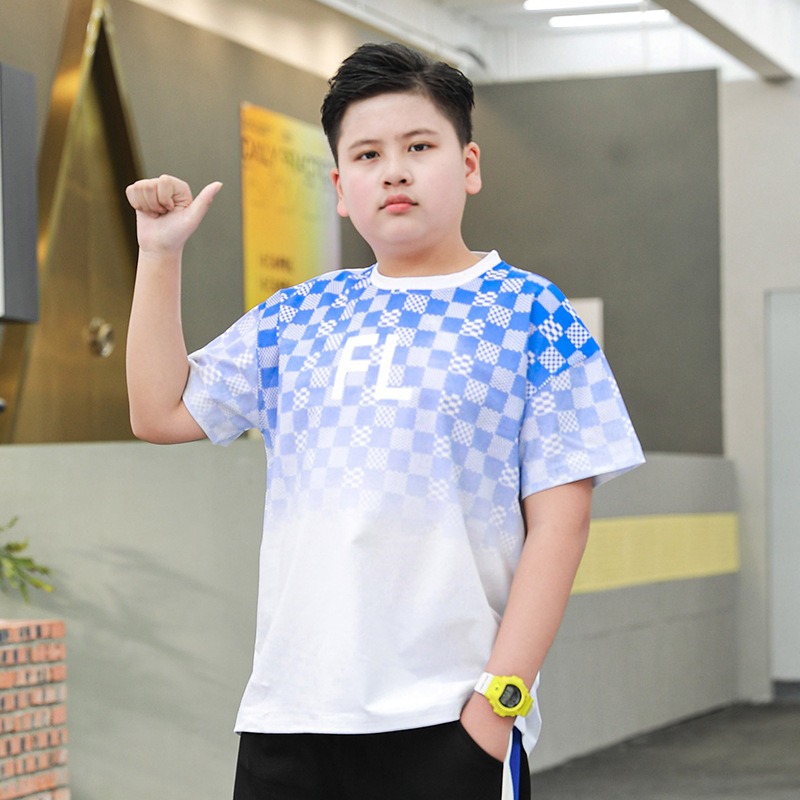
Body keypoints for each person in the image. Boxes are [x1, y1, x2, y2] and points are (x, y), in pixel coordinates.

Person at [126, 42, 644, 800]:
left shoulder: (533, 313)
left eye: (419, 147)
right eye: (367, 155)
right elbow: (159, 411)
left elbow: (562, 526)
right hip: (290, 719)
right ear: (340, 187)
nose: (394, 170)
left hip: (450, 723)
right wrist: (159, 255)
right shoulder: (300, 315)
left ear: (469, 165)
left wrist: (497, 708)